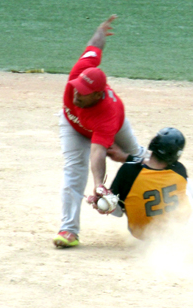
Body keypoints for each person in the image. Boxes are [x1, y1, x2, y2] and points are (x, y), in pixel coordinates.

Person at [53, 15, 145, 248]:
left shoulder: (107, 113)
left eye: (83, 93)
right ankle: (69, 231)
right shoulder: (80, 71)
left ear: (97, 94)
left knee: (138, 158)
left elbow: (97, 151)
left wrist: (98, 184)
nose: (75, 94)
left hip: (115, 125)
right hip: (72, 125)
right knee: (74, 170)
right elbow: (94, 46)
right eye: (76, 88)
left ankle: (186, 191)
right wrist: (101, 31)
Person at [90, 127, 193, 240]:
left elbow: (116, 211)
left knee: (126, 196)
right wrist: (127, 157)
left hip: (142, 236)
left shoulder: (128, 171)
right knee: (188, 191)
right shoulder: (179, 170)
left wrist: (100, 202)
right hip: (177, 233)